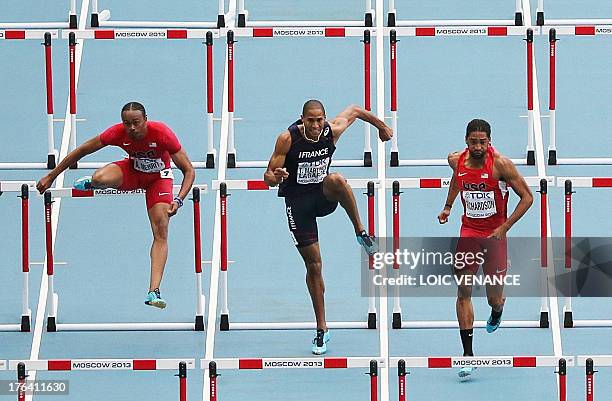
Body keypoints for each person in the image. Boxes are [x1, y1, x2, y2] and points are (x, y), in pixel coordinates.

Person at [264, 99, 393, 355]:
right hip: (298, 205)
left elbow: (355, 110)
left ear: (324, 119)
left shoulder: (331, 131)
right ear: (302, 119)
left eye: (319, 120)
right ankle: (322, 328)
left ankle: (361, 233)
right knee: (314, 266)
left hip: (322, 196)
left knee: (337, 179)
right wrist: (275, 177)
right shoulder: (287, 139)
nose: (315, 125)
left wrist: (381, 126)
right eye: (310, 120)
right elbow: (267, 176)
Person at [37, 102, 195, 309]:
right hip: (132, 172)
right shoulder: (117, 133)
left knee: (161, 229)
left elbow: (189, 171)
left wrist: (179, 199)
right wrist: (51, 176)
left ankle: (153, 291)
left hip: (158, 179)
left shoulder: (162, 133)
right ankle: (92, 183)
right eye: (127, 123)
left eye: (136, 123)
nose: (131, 128)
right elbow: (83, 150)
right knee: (100, 177)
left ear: (145, 119)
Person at [437, 119, 533, 380]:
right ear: (466, 141)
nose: (478, 146)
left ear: (489, 142)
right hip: (469, 232)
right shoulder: (456, 160)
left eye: (482, 142)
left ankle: (498, 309)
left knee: (493, 298)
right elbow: (457, 180)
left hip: (495, 236)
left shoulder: (501, 165)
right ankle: (468, 355)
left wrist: (505, 228)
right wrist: (448, 207)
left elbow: (528, 198)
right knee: (463, 290)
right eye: (473, 142)